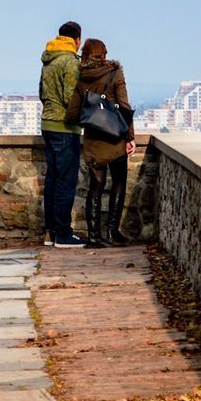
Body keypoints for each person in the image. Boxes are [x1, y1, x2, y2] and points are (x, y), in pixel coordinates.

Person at [66, 38, 136, 248]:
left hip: (94, 139)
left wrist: (91, 117)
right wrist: (130, 136)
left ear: (85, 54)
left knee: (95, 187)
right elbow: (124, 106)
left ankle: (94, 235)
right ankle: (113, 231)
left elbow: (72, 114)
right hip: (115, 137)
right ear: (104, 54)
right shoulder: (115, 73)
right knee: (118, 183)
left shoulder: (82, 77)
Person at [39, 21, 85, 248]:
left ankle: (50, 232)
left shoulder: (48, 60)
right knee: (66, 182)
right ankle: (63, 233)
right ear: (77, 40)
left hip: (47, 124)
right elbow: (71, 98)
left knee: (52, 180)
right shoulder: (70, 62)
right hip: (64, 127)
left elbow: (41, 93)